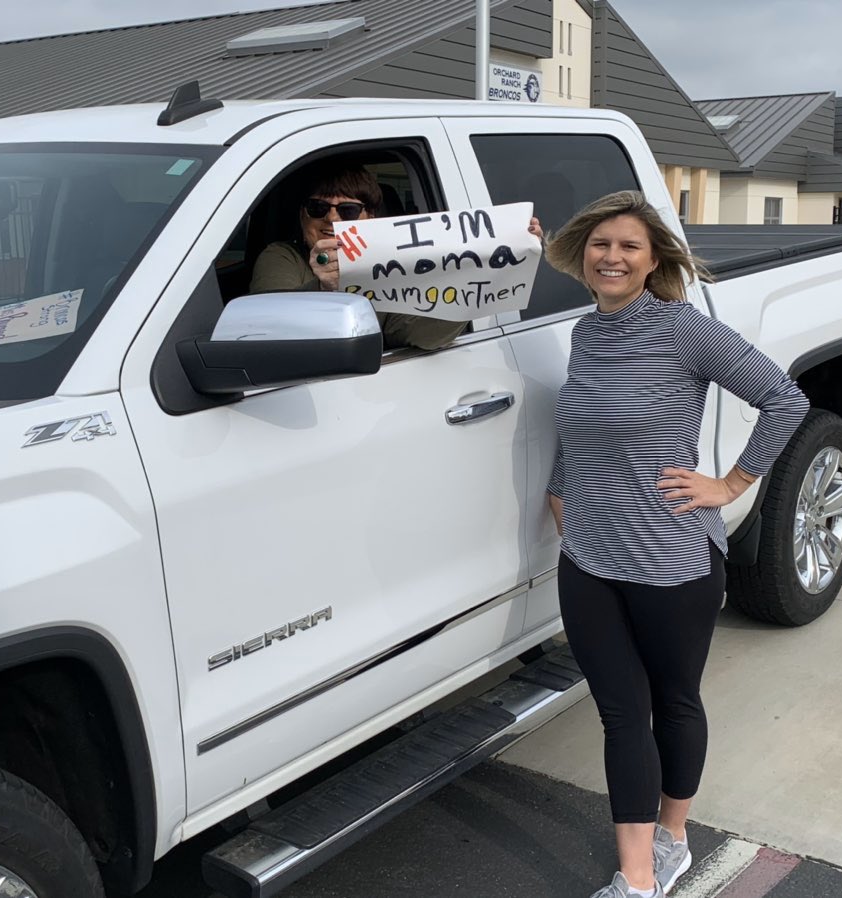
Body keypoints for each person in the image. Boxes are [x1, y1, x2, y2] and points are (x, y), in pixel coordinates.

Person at [542, 191, 809, 898]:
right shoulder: (585, 333)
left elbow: (785, 399)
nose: (613, 256)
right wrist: (560, 487)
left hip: (671, 558)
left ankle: (673, 839)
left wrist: (731, 484)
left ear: (653, 258)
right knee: (620, 712)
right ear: (583, 255)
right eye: (601, 244)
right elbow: (581, 417)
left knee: (674, 701)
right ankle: (637, 878)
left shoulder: (683, 329)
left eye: (629, 246)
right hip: (589, 558)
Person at [250, 161, 541, 351]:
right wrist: (323, 288)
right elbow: (269, 332)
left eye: (348, 210)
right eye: (318, 208)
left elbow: (424, 333)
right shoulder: (282, 257)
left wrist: (502, 262)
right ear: (302, 215)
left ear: (370, 218)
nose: (331, 219)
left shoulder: (394, 271)